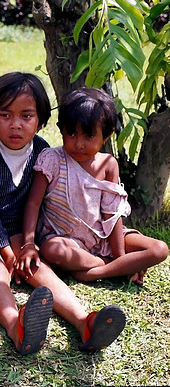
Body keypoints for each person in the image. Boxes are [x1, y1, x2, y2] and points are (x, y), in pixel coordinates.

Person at [0, 73, 127, 354]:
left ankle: (84, 322)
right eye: (5, 115)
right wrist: (6, 252)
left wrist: (27, 246)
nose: (15, 124)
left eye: (26, 116)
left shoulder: (42, 151)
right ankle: (15, 325)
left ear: (40, 121)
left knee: (39, 270)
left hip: (20, 233)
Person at [23, 87, 168, 287]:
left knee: (159, 249)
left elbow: (113, 213)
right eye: (72, 133)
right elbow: (33, 203)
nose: (79, 144)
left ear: (106, 135)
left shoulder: (108, 164)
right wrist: (29, 243)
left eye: (89, 136)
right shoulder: (51, 159)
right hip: (66, 240)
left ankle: (94, 272)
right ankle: (110, 267)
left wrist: (120, 255)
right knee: (52, 250)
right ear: (61, 129)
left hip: (104, 238)